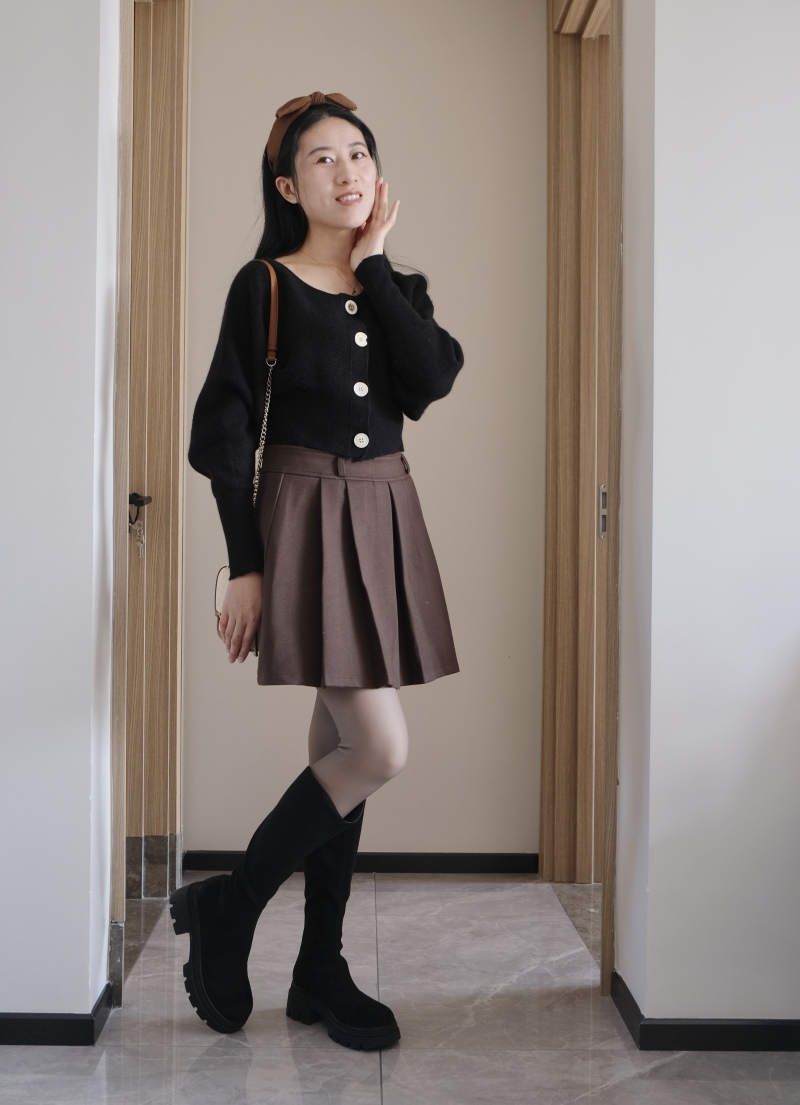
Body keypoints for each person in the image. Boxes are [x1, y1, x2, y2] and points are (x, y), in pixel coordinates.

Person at [170, 91, 464, 1051]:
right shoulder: (263, 284)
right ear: (289, 186)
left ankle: (317, 969)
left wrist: (374, 266)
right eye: (323, 158)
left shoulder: (394, 286)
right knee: (378, 748)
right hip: (303, 511)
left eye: (359, 154)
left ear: (378, 174)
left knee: (341, 745)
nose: (347, 171)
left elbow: (430, 380)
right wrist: (245, 565)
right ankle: (232, 905)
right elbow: (223, 436)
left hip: (383, 509)